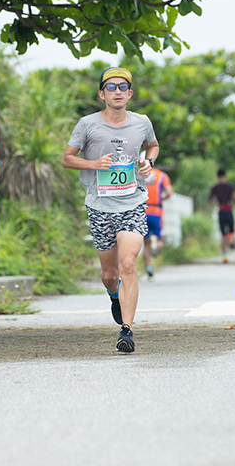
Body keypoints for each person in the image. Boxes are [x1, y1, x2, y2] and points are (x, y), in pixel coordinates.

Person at [61, 67, 158, 354]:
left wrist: (148, 162)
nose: (117, 91)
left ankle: (127, 330)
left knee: (128, 264)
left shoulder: (141, 122)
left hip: (133, 202)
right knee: (109, 273)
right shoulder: (87, 124)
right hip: (100, 206)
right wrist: (93, 164)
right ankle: (114, 295)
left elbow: (153, 145)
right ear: (101, 94)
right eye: (111, 87)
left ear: (130, 93)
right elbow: (67, 159)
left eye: (122, 87)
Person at [143, 165, 173, 280]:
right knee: (160, 239)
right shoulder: (161, 176)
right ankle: (155, 247)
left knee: (146, 243)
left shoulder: (139, 173)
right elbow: (169, 192)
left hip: (143, 211)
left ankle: (149, 269)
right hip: (156, 211)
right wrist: (161, 199)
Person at [208, 169, 235, 263]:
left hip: (221, 211)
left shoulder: (215, 188)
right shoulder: (230, 186)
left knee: (224, 234)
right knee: (229, 232)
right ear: (225, 176)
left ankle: (225, 255)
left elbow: (210, 201)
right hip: (228, 210)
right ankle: (231, 246)